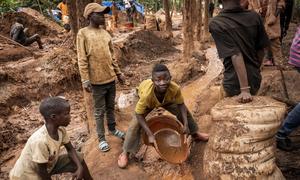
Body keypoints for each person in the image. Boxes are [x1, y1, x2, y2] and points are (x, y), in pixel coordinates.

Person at [117, 64, 209, 168]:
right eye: (158, 80)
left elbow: (181, 105)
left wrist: (186, 125)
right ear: (153, 80)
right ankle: (126, 152)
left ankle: (194, 133)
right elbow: (139, 114)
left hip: (166, 100)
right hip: (149, 102)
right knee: (135, 125)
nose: (162, 82)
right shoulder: (146, 95)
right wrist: (150, 134)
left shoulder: (174, 88)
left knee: (184, 112)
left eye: (166, 79)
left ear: (170, 78)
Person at [77, 3, 126, 152]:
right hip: (96, 82)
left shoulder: (106, 34)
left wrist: (119, 74)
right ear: (90, 16)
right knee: (99, 111)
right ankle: (101, 138)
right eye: (100, 14)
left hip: (110, 79)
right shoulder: (83, 33)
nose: (103, 17)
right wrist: (85, 79)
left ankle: (112, 129)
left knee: (110, 107)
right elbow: (82, 59)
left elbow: (112, 57)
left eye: (104, 14)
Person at [9, 97, 93, 180]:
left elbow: (70, 149)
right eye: (67, 114)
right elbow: (42, 171)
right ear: (53, 117)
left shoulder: (60, 130)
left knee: (78, 157)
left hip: (48, 166)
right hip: (27, 176)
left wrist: (80, 168)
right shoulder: (40, 141)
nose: (70, 117)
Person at [209, 0, 270, 103]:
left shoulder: (217, 23)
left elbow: (235, 54)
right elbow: (262, 49)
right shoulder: (255, 17)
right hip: (255, 80)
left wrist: (245, 89)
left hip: (234, 84)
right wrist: (255, 70)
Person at [246, 0, 285, 66]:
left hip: (271, 22)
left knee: (275, 44)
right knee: (258, 47)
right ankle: (258, 69)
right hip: (257, 22)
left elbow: (281, 3)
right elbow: (248, 7)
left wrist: (274, 16)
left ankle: (280, 68)